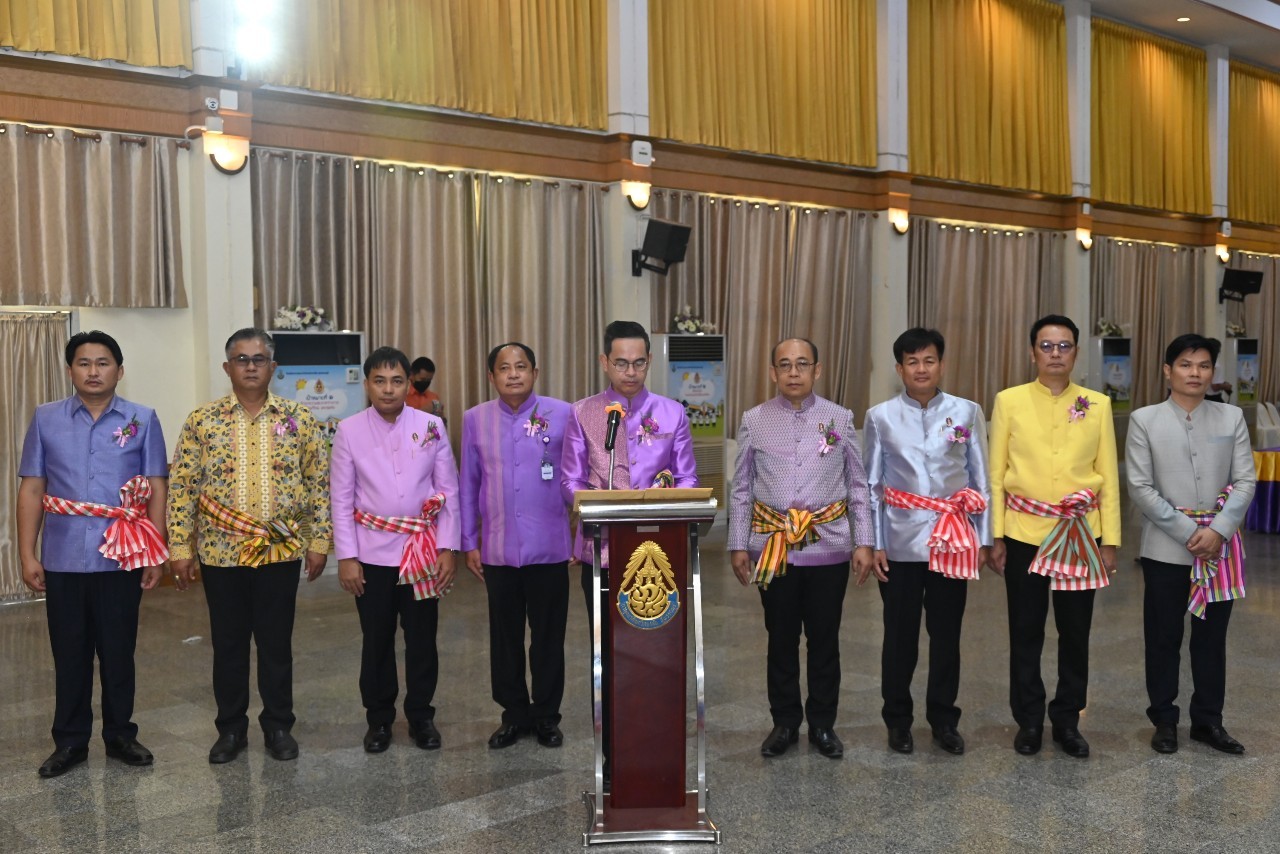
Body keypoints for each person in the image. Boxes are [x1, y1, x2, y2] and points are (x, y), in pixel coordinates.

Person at [168, 328, 331, 764]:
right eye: (242, 359)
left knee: (276, 644)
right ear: (227, 368)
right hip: (222, 551)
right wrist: (180, 547)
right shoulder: (202, 420)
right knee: (229, 645)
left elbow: (318, 482)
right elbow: (182, 487)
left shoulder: (299, 418)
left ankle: (278, 726)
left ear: (273, 367)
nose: (251, 366)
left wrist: (319, 540)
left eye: (259, 359)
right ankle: (231, 729)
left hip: (279, 548)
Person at [17, 331, 169, 778]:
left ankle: (121, 735)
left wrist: (154, 552)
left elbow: (156, 486)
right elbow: (32, 488)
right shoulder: (46, 418)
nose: (93, 371)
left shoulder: (143, 419)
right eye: (83, 363)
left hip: (121, 556)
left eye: (103, 363)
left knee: (119, 650)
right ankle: (70, 741)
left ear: (119, 371)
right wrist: (27, 554)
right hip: (63, 557)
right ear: (70, 370)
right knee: (69, 653)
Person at [561, 319, 697, 775]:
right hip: (601, 552)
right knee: (607, 652)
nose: (631, 372)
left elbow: (688, 478)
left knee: (656, 652)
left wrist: (662, 501)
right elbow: (570, 481)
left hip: (660, 556)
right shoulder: (583, 413)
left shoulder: (672, 413)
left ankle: (654, 745)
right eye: (621, 363)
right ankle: (611, 749)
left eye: (639, 363)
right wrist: (602, 505)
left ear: (650, 361)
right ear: (605, 362)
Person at [729, 338, 874, 760]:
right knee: (780, 639)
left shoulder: (840, 418)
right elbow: (741, 488)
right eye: (785, 365)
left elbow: (857, 485)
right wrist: (738, 544)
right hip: (773, 548)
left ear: (817, 370)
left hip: (828, 547)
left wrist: (864, 541)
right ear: (772, 372)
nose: (794, 372)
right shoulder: (754, 420)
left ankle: (823, 724)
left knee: (825, 639)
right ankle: (785, 723)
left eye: (802, 364)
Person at [989, 315, 1119, 759]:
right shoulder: (1009, 401)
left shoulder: (1097, 404)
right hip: (1024, 533)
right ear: (1033, 353)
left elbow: (1108, 476)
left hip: (1080, 535)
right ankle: (1028, 719)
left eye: (1064, 346)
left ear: (1076, 353)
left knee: (1075, 631)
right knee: (1025, 630)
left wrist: (1110, 541)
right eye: (1046, 346)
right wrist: (995, 536)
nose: (1055, 354)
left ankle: (1067, 719)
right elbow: (995, 474)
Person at [862, 328, 991, 756]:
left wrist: (983, 539)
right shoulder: (880, 417)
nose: (921, 369)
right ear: (899, 369)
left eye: (929, 360)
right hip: (899, 544)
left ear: (942, 364)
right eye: (912, 361)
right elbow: (872, 486)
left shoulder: (967, 412)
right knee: (899, 637)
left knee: (947, 635)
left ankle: (944, 720)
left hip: (952, 541)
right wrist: (875, 543)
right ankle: (898, 721)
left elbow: (981, 480)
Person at [1126, 334, 1255, 755]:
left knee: (1211, 639)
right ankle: (1164, 719)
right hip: (1165, 549)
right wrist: (1188, 532)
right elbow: (1141, 487)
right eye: (1185, 364)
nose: (1195, 373)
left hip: (1219, 550)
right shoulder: (1145, 420)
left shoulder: (1231, 417)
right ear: (1168, 370)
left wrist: (1219, 530)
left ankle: (1208, 721)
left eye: (1203, 365)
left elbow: (1245, 480)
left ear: (1212, 372)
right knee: (1163, 636)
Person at [330, 347, 457, 753]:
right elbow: (341, 498)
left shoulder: (431, 425)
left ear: (408, 384)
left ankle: (421, 716)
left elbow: (448, 490)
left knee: (422, 638)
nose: (388, 389)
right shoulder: (349, 430)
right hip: (371, 555)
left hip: (422, 551)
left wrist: (447, 546)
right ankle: (379, 719)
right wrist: (347, 557)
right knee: (377, 638)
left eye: (397, 381)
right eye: (380, 381)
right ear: (367, 384)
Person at [460, 343, 572, 750]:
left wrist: (580, 535)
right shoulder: (475, 419)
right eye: (504, 368)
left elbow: (575, 477)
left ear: (535, 373)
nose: (513, 374)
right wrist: (468, 541)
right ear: (491, 376)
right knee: (504, 638)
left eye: (521, 367)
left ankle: (546, 716)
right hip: (498, 549)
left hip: (550, 547)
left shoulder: (564, 414)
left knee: (548, 638)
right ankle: (513, 715)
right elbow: (468, 483)